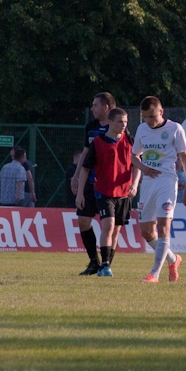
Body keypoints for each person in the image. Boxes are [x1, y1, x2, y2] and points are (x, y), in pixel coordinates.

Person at [132, 96, 186, 283]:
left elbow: (185, 159)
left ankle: (154, 273)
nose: (149, 121)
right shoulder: (142, 129)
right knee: (146, 232)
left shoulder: (175, 129)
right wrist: (143, 168)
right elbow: (134, 156)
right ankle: (173, 259)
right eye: (145, 117)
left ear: (161, 112)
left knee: (163, 227)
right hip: (148, 183)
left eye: (152, 116)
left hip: (167, 181)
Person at [76, 108, 138, 277]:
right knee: (108, 225)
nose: (123, 125)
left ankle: (106, 265)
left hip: (123, 193)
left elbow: (137, 163)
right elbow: (85, 169)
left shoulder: (130, 140)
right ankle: (104, 264)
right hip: (103, 191)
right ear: (110, 122)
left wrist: (135, 184)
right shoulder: (98, 142)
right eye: (120, 121)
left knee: (116, 230)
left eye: (125, 122)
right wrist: (80, 193)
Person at [72, 92, 116, 276]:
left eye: (95, 105)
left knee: (112, 227)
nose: (92, 109)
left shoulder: (117, 126)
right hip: (90, 182)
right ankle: (93, 262)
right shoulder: (91, 127)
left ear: (106, 107)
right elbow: (85, 152)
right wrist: (76, 176)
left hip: (110, 185)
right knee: (83, 221)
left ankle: (106, 265)